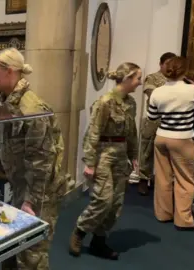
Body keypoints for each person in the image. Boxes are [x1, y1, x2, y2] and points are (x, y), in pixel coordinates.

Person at [0, 48, 71, 270]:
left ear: (9, 71)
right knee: (10, 250)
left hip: (40, 192)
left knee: (31, 255)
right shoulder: (5, 105)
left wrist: (30, 201)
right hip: (20, 186)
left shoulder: (31, 109)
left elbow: (42, 161)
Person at [69, 62, 141, 260]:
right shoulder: (105, 102)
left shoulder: (131, 103)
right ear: (126, 79)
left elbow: (132, 132)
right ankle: (80, 231)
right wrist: (90, 163)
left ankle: (98, 242)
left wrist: (133, 154)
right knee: (102, 200)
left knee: (116, 203)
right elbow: (93, 133)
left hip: (120, 154)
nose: (139, 83)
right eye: (137, 78)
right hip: (103, 154)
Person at [148, 56, 194, 231]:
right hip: (183, 138)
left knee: (163, 178)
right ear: (184, 71)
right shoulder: (192, 90)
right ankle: (183, 220)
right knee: (185, 179)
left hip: (162, 137)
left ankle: (163, 214)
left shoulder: (157, 92)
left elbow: (152, 116)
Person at [137, 52, 176, 195]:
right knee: (147, 151)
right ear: (161, 64)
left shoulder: (176, 81)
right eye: (167, 64)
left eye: (173, 64)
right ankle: (143, 179)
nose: (170, 67)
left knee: (167, 154)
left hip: (169, 122)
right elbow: (151, 93)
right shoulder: (153, 78)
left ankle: (161, 181)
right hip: (154, 120)